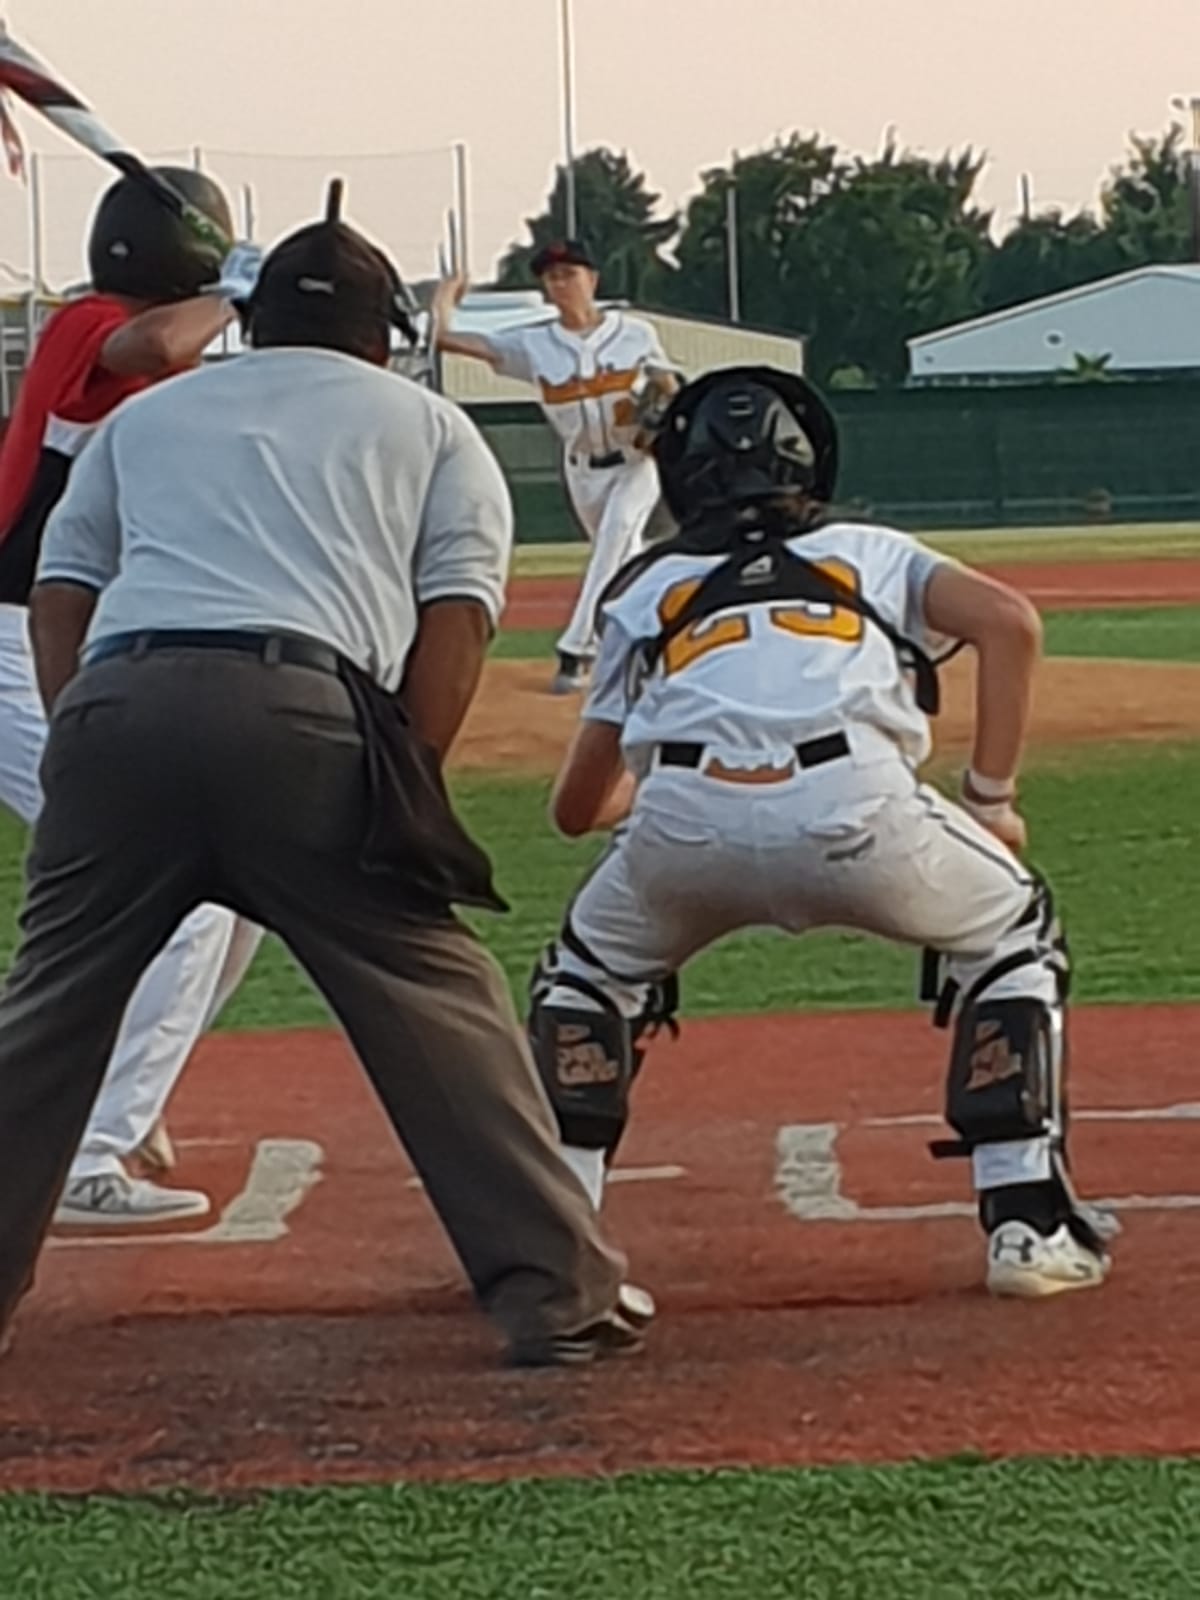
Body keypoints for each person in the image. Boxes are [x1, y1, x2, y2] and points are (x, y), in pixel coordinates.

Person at [0, 201, 649, 1369]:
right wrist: (408, 777)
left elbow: (61, 591)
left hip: (119, 707)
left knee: (45, 1018)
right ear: (382, 331)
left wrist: (79, 733)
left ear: (249, 321)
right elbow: (457, 620)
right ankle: (557, 1291)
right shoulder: (432, 425)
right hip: (302, 712)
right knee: (433, 994)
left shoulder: (149, 417)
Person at [525, 364, 1118, 1300]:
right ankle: (1027, 1223)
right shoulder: (869, 549)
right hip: (859, 807)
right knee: (1014, 937)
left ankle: (547, 1239)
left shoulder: (646, 585)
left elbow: (576, 809)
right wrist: (990, 798)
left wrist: (696, 780)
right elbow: (1011, 623)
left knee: (586, 976)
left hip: (682, 824)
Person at [0, 166, 263, 1224]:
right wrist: (239, 293)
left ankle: (119, 1105)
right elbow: (150, 345)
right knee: (177, 875)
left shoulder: (170, 376)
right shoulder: (87, 325)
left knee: (235, 895)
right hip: (12, 640)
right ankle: (86, 1150)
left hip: (72, 640)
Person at [431, 240, 678, 693]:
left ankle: (576, 650)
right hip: (582, 470)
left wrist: (664, 408)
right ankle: (654, 645)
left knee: (618, 532)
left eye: (570, 273)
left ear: (592, 280)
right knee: (627, 560)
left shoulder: (635, 334)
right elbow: (445, 339)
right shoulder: (533, 344)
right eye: (551, 277)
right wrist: (448, 295)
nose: (560, 283)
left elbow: (668, 385)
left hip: (636, 463)